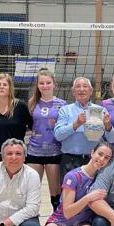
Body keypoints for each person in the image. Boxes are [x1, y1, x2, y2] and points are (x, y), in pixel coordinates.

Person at [36, 142, 113, 226]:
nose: (102, 159)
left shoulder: (102, 178)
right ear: (92, 153)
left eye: (107, 158)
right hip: (61, 223)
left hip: (82, 225)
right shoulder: (73, 176)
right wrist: (88, 198)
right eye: (100, 154)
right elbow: (68, 212)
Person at [54, 77, 114, 180]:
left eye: (85, 86)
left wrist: (108, 126)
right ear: (73, 91)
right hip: (70, 161)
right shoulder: (65, 110)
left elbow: (112, 139)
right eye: (78, 86)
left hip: (94, 161)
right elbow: (58, 135)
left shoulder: (100, 110)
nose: (81, 89)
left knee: (94, 194)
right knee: (69, 194)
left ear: (91, 91)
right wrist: (76, 124)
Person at [26, 69, 66, 212]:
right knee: (32, 192)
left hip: (55, 151)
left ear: (54, 84)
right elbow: (29, 126)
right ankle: (32, 220)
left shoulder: (62, 104)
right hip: (34, 151)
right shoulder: (31, 104)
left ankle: (56, 221)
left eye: (48, 82)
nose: (45, 85)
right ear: (37, 85)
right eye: (41, 83)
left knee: (55, 193)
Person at [0, 73, 32, 153]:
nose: (1, 87)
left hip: (15, 154)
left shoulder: (20, 106)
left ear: (10, 88)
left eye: (5, 84)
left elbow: (33, 126)